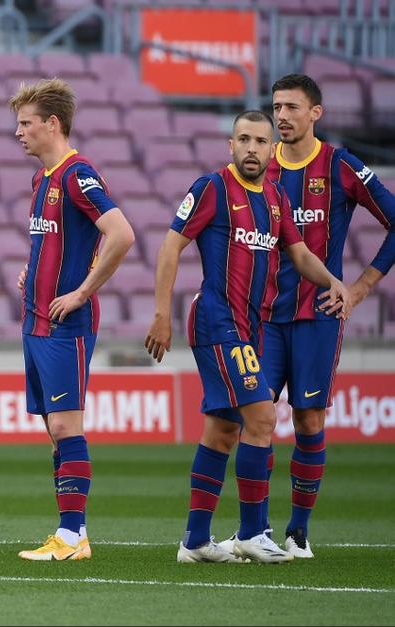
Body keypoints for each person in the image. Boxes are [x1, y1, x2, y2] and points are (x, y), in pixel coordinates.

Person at [144, 110, 352, 564]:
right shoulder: (211, 189)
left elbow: (299, 254)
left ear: (268, 147)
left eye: (261, 140)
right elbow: (169, 247)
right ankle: (253, 531)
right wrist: (162, 313)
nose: (253, 148)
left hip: (249, 328)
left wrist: (333, 281)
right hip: (218, 322)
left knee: (222, 431)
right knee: (261, 417)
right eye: (244, 139)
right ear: (230, 146)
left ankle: (195, 542)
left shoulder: (275, 198)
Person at [233, 74, 394, 559]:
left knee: (307, 420)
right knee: (256, 420)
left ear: (315, 114)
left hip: (316, 318)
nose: (281, 116)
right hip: (262, 318)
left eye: (291, 108)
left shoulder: (342, 166)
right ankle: (253, 533)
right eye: (276, 107)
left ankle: (298, 532)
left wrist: (362, 286)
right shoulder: (258, 165)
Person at [8, 78, 135, 561]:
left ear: (52, 124)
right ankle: (72, 534)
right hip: (36, 321)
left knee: (66, 427)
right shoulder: (42, 179)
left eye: (26, 123)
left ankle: (70, 535)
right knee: (54, 428)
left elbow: (120, 234)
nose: (18, 132)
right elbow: (55, 241)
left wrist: (82, 291)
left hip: (66, 325)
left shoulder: (78, 174)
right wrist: (32, 269)